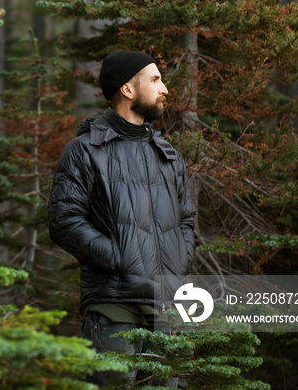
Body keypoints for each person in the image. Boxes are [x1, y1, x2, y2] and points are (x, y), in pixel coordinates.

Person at [48, 50, 196, 387]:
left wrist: (179, 262)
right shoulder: (85, 150)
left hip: (167, 315)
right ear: (128, 90)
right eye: (155, 79)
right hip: (115, 312)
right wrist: (123, 258)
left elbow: (187, 220)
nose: (165, 89)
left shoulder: (169, 156)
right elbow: (64, 221)